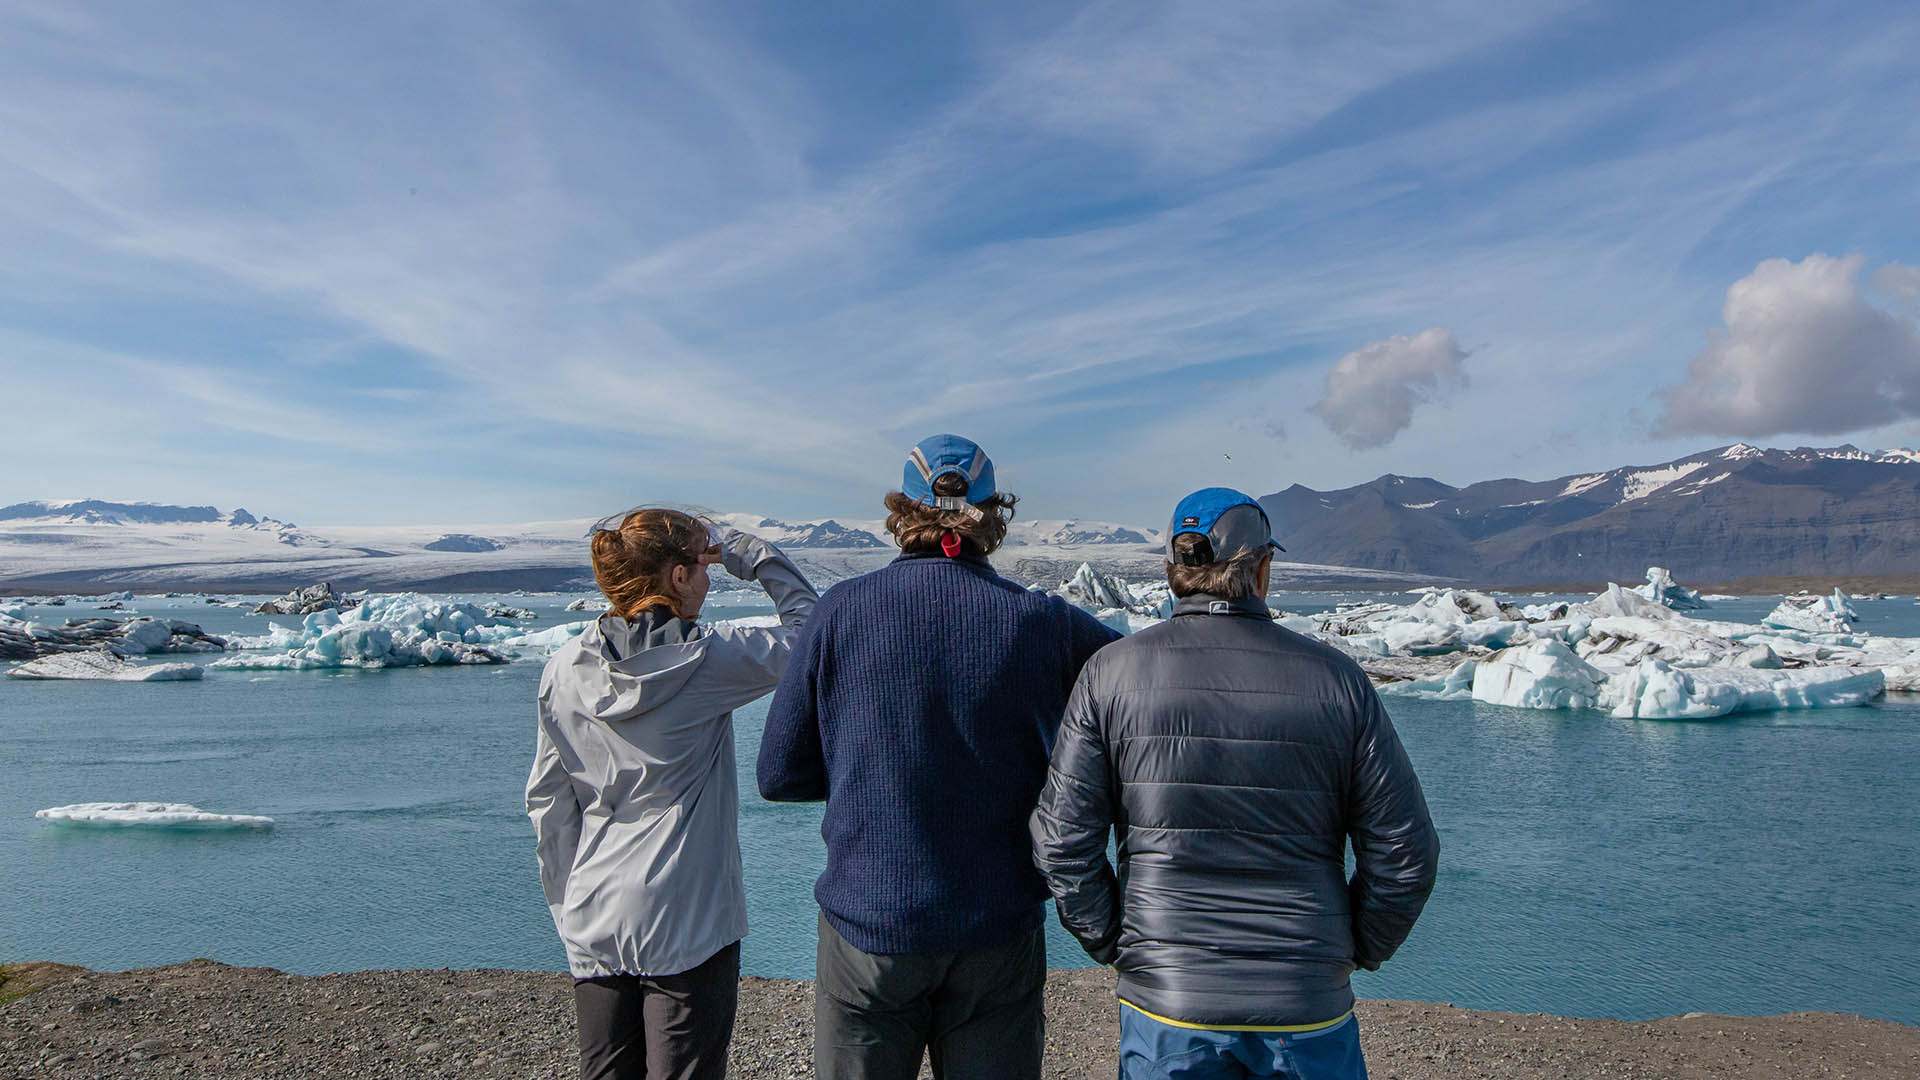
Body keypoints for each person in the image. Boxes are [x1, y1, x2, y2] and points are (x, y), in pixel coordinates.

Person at [1031, 487, 1440, 1080]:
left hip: (1169, 1006)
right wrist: (1350, 948)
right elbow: (1406, 851)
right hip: (1306, 999)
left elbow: (1060, 840)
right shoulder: (1337, 681)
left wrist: (1123, 944)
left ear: (1176, 571)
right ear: (1262, 568)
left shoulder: (1111, 674)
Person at [757, 434, 1123, 1080]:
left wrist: (860, 770)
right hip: (997, 930)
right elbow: (1142, 678)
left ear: (903, 513)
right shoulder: (1041, 622)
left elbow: (778, 773)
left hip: (869, 926)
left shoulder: (840, 613)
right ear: (993, 517)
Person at [527, 507, 818, 1080]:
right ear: (679, 578)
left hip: (594, 908)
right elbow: (813, 633)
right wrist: (747, 552)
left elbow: (548, 800)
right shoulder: (708, 661)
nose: (709, 579)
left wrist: (569, 905)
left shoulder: (565, 669)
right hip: (687, 915)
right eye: (702, 566)